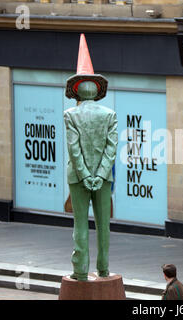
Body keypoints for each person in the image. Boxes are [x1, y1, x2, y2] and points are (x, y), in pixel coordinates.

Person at [64, 34, 118, 280]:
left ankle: (80, 271)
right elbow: (111, 148)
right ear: (97, 90)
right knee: (104, 226)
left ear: (77, 91)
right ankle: (104, 268)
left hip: (78, 178)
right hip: (103, 178)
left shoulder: (70, 115)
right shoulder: (109, 114)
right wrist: (100, 175)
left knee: (80, 225)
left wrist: (86, 176)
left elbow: (74, 149)